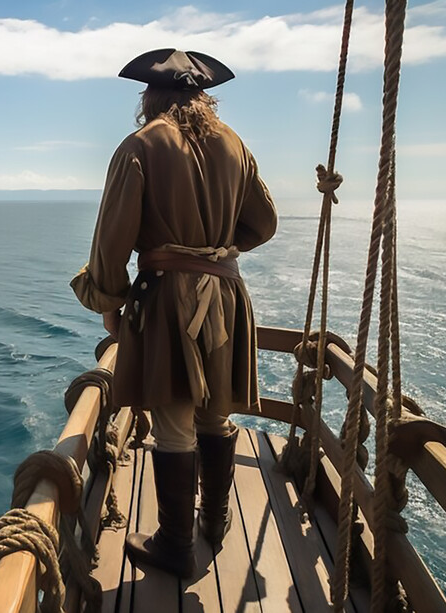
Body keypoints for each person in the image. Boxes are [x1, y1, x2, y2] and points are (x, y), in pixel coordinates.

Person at [70, 49, 278, 579]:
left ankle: (176, 546)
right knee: (217, 411)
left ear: (150, 96)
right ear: (204, 96)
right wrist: (214, 249)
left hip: (168, 294)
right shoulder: (234, 144)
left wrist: (109, 302)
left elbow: (111, 241)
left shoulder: (141, 145)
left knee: (174, 422)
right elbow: (265, 222)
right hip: (228, 294)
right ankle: (216, 520)